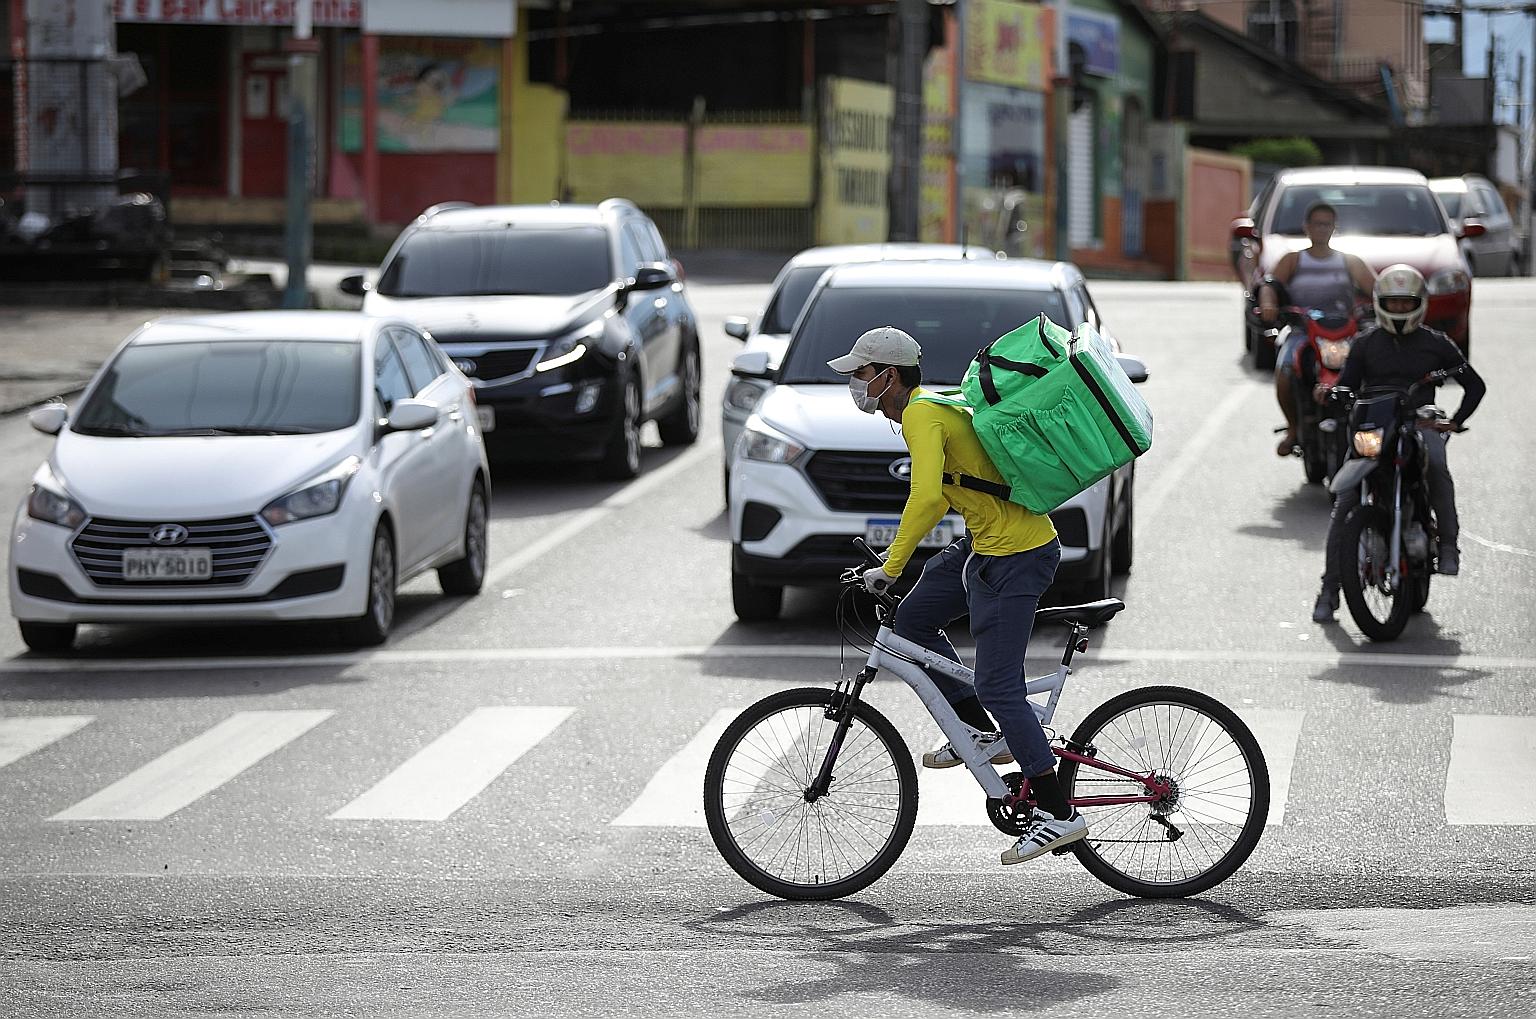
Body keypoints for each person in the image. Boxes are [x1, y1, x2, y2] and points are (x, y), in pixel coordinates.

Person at [827, 325, 1086, 864]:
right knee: (911, 623)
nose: (855, 383)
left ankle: (1058, 813)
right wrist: (895, 560)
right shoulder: (929, 408)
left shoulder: (922, 415)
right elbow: (953, 492)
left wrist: (891, 567)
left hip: (1015, 555)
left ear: (888, 376)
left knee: (999, 686)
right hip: (983, 545)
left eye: (861, 372)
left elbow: (925, 498)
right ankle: (981, 733)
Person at [1311, 265, 1486, 623]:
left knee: (1437, 465)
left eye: (1407, 303)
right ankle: (1329, 589)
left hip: (1419, 424)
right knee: (1345, 502)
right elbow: (1346, 385)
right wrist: (1331, 394)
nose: (1400, 309)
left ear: (1420, 304)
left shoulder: (1437, 343)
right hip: (1375, 427)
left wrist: (1454, 421)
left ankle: (1448, 545)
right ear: (1380, 303)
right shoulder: (1365, 343)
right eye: (1393, 302)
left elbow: (1474, 385)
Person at [1259, 201, 1377, 456]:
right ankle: (1294, 428)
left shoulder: (1350, 261)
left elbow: (1377, 290)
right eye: (1317, 224)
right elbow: (1269, 285)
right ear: (1307, 227)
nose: (1322, 229)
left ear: (1334, 227)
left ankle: (1366, 424)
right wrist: (1269, 304)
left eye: (1327, 224)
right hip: (1302, 331)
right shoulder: (1292, 260)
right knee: (1285, 371)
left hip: (1344, 332)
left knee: (1370, 368)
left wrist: (1386, 306)